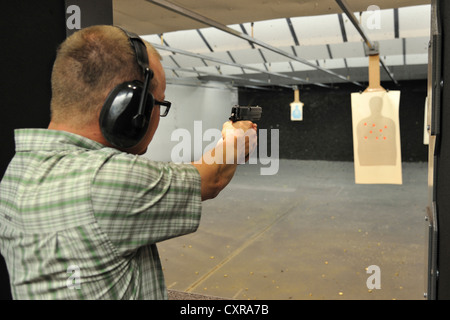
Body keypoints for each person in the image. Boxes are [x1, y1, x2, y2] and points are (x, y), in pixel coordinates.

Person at [0, 25, 256, 299]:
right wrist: (234, 138)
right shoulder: (103, 179)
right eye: (159, 104)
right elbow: (211, 178)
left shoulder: (18, 171)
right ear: (132, 108)